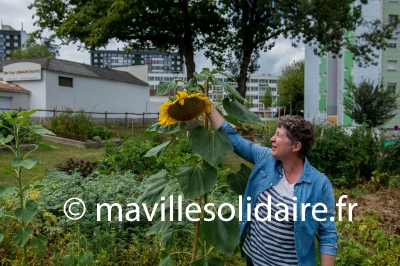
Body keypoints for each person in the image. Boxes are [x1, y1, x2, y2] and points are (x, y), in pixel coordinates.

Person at [207, 104, 338, 266]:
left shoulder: (319, 185)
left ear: (296, 146)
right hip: (254, 259)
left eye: (278, 135)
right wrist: (208, 106)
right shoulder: (266, 159)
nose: (272, 139)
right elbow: (235, 141)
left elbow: (327, 235)